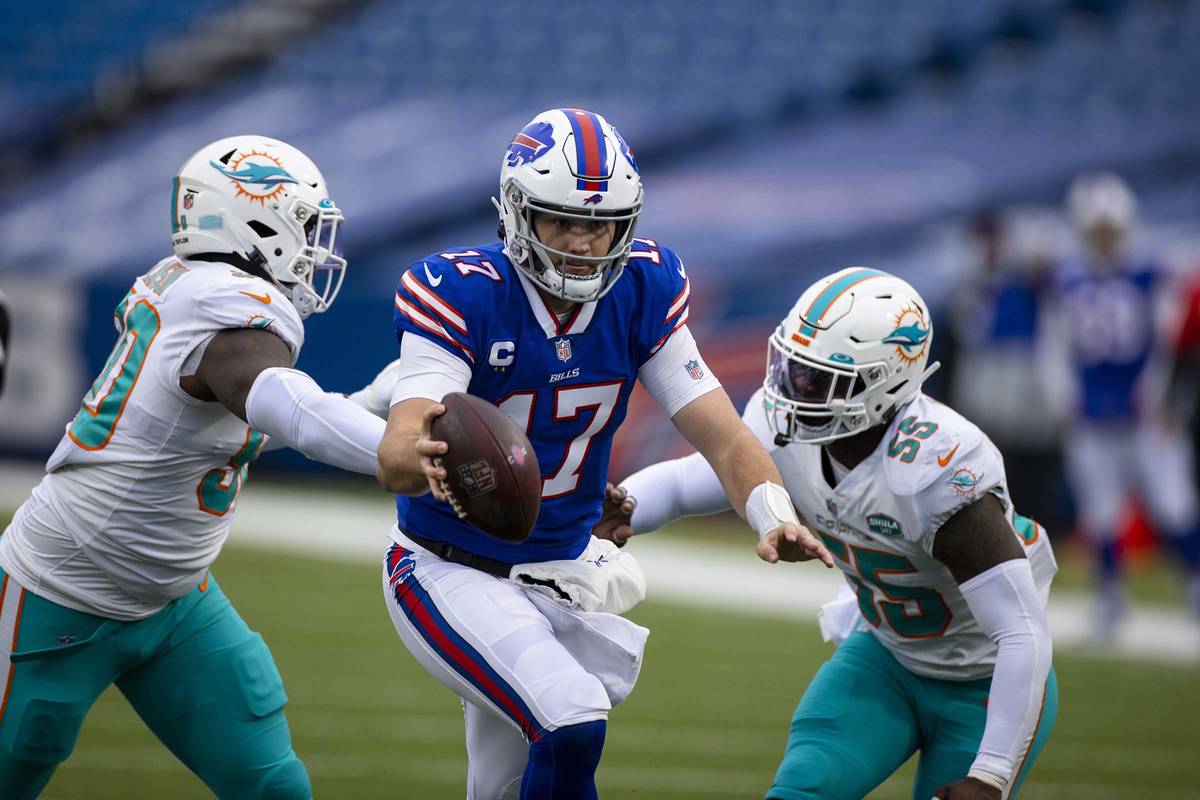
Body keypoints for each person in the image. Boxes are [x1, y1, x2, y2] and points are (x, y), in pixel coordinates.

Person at [373, 107, 832, 800]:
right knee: (570, 718)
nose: (585, 243)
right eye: (564, 221)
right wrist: (432, 460)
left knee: (501, 788)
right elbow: (400, 447)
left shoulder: (642, 288)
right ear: (518, 215)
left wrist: (771, 514)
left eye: (602, 224)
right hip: (449, 568)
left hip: (558, 569)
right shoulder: (466, 291)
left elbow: (726, 436)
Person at [0, 135, 387, 799]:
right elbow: (271, 399)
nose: (318, 249)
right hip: (60, 590)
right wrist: (391, 451)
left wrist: (369, 402)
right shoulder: (228, 304)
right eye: (305, 227)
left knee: (273, 788)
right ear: (255, 221)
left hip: (172, 601)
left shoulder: (189, 285)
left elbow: (228, 434)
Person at [606, 268, 1058, 800]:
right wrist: (624, 508)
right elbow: (688, 482)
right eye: (792, 368)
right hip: (887, 656)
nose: (792, 389)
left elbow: (1022, 631)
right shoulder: (785, 428)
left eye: (817, 379)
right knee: (802, 790)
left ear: (885, 383)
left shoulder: (939, 471)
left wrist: (992, 775)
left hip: (984, 684)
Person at [1045, 171, 1200, 637]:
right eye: (1097, 228)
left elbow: (1171, 343)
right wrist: (1063, 398)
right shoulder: (1067, 278)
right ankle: (1109, 597)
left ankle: (1194, 585)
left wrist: (1165, 397)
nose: (1104, 237)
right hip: (1093, 411)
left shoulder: (1153, 271)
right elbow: (1054, 346)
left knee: (1174, 503)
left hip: (1144, 410)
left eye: (1109, 227)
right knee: (1100, 511)